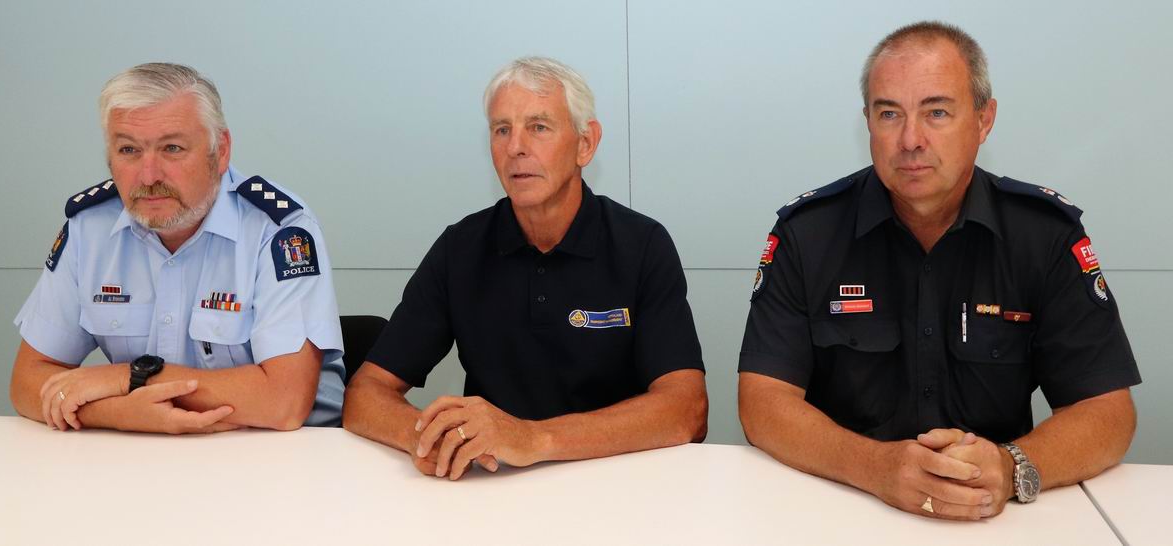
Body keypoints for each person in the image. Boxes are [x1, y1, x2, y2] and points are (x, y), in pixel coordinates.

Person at [738, 21, 1140, 520]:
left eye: (937, 112)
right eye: (889, 113)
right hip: (837, 504)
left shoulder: (1043, 235)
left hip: (995, 516)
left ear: (984, 118)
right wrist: (875, 467)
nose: (910, 139)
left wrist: (1010, 465)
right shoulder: (809, 233)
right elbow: (763, 402)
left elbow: (1107, 412)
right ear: (867, 120)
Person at [343, 57, 707, 480]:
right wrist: (426, 436)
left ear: (586, 144)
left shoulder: (642, 244)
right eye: (502, 130)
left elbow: (687, 409)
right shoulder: (460, 248)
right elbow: (365, 395)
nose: (515, 146)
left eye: (538, 127)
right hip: (492, 487)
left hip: (616, 482)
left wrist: (533, 439)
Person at [10, 63, 345, 433]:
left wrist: (130, 379)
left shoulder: (278, 232)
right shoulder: (89, 228)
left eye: (172, 148)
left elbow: (283, 402)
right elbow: (27, 382)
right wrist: (118, 413)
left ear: (221, 152)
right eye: (128, 150)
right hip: (146, 454)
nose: (149, 175)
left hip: (289, 457)